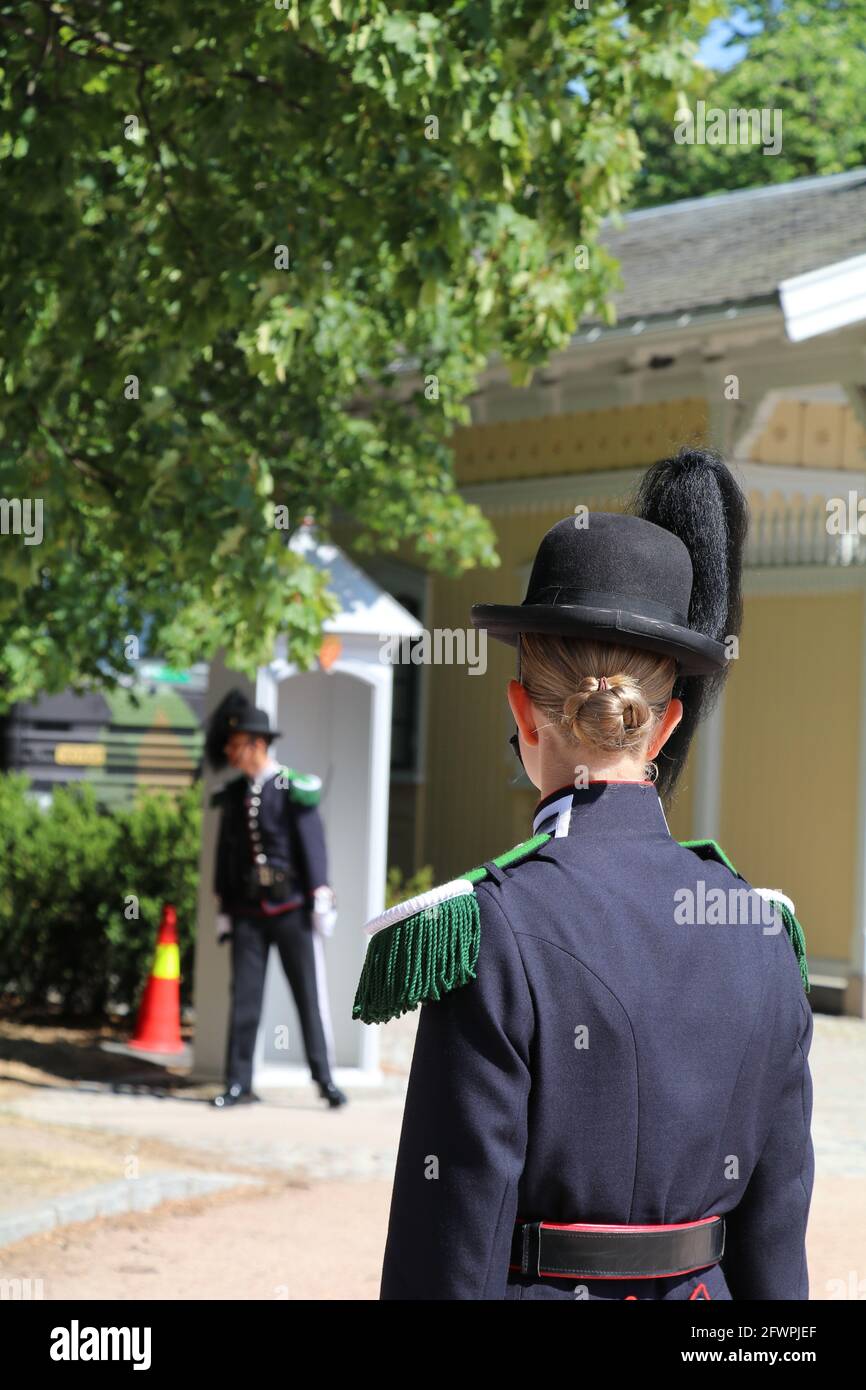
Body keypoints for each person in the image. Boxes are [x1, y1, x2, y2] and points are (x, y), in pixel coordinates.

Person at [353, 448, 813, 1300]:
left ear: (523, 713)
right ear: (668, 724)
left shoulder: (490, 931)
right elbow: (776, 1241)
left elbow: (451, 1235)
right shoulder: (762, 932)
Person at [206, 691, 347, 1110]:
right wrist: (223, 905)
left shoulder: (291, 787)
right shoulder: (234, 795)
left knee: (308, 996)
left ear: (257, 744)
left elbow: (312, 845)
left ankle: (325, 1080)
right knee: (245, 998)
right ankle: (238, 1083)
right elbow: (225, 853)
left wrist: (320, 893)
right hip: (248, 910)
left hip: (290, 910)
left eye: (237, 746)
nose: (231, 754)